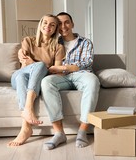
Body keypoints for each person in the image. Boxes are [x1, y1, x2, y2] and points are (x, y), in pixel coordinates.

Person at [40, 11, 100, 150]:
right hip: (62, 78)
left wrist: (63, 67)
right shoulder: (53, 42)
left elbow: (86, 63)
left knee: (93, 81)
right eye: (59, 23)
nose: (63, 26)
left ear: (72, 24)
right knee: (46, 82)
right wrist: (22, 53)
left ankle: (82, 131)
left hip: (82, 74)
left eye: (66, 22)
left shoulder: (85, 42)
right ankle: (59, 133)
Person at [8, 14, 65, 147]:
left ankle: (25, 128)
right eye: (45, 23)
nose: (48, 26)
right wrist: (43, 66)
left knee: (29, 74)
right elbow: (24, 67)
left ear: (56, 28)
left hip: (28, 79)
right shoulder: (28, 41)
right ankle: (28, 108)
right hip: (17, 76)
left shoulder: (58, 47)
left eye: (52, 24)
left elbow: (57, 70)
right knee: (25, 74)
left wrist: (36, 64)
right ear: (40, 25)